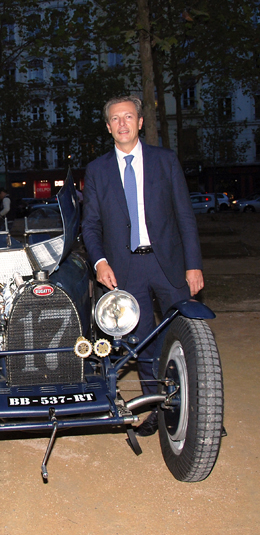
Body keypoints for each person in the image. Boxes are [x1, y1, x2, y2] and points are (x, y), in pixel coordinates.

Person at [81, 95, 204, 437]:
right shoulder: (96, 170)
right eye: (115, 119)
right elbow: (90, 225)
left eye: (129, 117)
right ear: (108, 127)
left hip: (170, 265)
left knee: (186, 335)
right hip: (124, 269)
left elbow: (184, 216)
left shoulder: (165, 161)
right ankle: (156, 407)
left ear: (140, 122)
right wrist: (100, 261)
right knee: (142, 343)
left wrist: (193, 265)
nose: (122, 124)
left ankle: (200, 410)